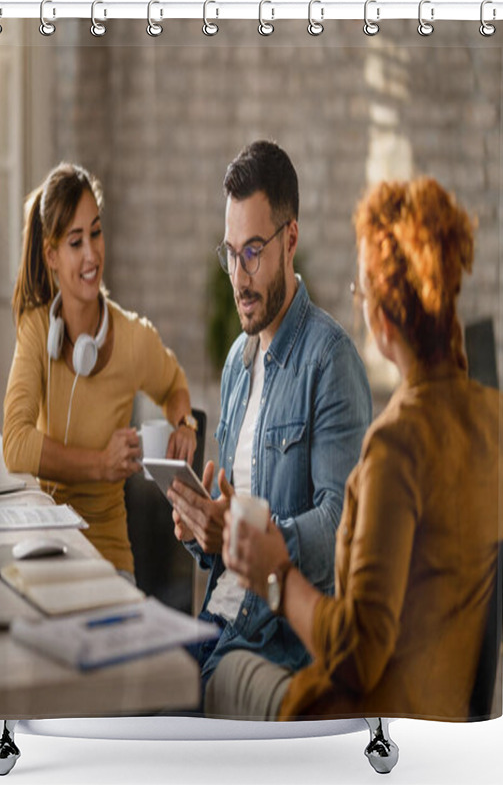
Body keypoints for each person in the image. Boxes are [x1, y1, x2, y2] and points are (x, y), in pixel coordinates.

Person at [204, 177, 503, 721]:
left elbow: (357, 655)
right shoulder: (496, 419)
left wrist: (276, 573)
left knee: (203, 681)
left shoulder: (395, 447)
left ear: (383, 315)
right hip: (444, 709)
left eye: (361, 291)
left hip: (361, 713)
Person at [167, 140, 372, 689]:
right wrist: (200, 527)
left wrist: (244, 532)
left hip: (277, 641)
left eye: (253, 250)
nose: (239, 275)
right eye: (231, 253)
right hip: (219, 619)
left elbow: (343, 526)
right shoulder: (237, 360)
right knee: (123, 680)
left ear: (291, 239)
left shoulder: (330, 362)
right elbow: (229, 518)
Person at [3, 162, 197, 578]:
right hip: (45, 546)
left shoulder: (133, 339)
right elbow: (15, 444)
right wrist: (99, 465)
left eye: (96, 232)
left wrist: (185, 424)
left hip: (109, 558)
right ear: (52, 255)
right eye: (75, 242)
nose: (92, 254)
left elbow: (174, 385)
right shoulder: (37, 330)